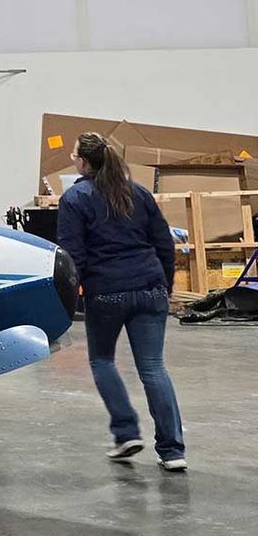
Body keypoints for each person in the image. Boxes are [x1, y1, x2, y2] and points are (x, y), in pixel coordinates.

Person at [57, 132, 186, 471]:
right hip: (150, 287)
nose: (72, 159)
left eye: (73, 155)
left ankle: (126, 432)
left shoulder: (74, 199)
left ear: (84, 163)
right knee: (153, 367)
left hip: (106, 291)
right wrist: (166, 285)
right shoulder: (138, 193)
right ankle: (173, 451)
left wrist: (69, 299)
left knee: (102, 361)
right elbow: (164, 243)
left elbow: (73, 255)